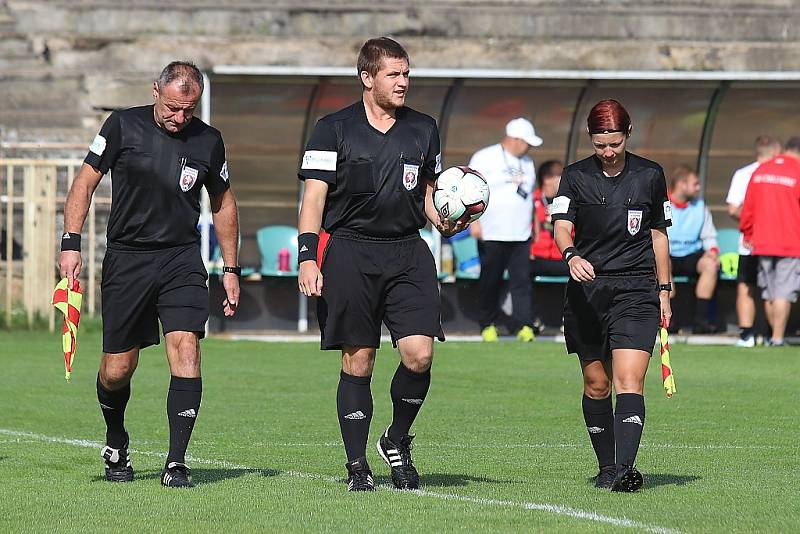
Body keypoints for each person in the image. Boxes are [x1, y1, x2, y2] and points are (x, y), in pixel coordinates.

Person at [58, 61, 241, 488]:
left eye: (189, 110)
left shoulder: (209, 141)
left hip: (181, 259)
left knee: (187, 350)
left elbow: (224, 203)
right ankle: (117, 438)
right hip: (128, 259)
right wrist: (70, 244)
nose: (180, 118)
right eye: (174, 108)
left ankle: (177, 462)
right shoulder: (122, 126)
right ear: (156, 90)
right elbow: (84, 183)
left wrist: (231, 267)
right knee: (117, 369)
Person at [296, 37, 464, 492]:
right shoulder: (332, 128)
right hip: (350, 251)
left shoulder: (424, 128)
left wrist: (447, 220)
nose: (403, 82)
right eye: (394, 74)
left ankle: (396, 438)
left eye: (406, 74)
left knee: (420, 354)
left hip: (409, 252)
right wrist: (308, 257)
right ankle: (356, 465)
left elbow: (427, 194)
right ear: (367, 78)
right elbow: (313, 199)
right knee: (360, 359)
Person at [551, 99, 672, 492]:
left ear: (627, 136)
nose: (608, 152)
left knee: (629, 381)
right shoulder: (573, 176)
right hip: (588, 291)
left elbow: (657, 235)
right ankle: (606, 466)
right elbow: (561, 227)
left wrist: (664, 290)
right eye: (601, 144)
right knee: (597, 385)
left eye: (615, 144)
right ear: (591, 139)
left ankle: (624, 469)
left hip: (637, 289)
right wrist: (570, 256)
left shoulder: (650, 175)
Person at [468, 118, 542, 342]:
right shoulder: (484, 157)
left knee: (522, 281)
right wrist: (474, 222)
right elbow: (470, 190)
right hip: (492, 233)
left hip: (521, 234)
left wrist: (534, 227)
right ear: (515, 139)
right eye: (526, 142)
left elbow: (529, 197)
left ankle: (525, 325)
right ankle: (487, 324)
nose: (529, 147)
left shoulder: (527, 162)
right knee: (490, 280)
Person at [740, 136, 800, 346]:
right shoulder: (797, 170)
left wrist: (747, 233)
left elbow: (748, 206)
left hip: (762, 241)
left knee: (769, 291)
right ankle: (777, 338)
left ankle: (770, 336)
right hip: (791, 242)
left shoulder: (761, 170)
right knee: (784, 291)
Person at [726, 135, 782, 346]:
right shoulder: (780, 175)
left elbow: (733, 208)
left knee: (747, 287)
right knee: (773, 289)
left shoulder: (743, 174)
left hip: (750, 243)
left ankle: (746, 335)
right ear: (776, 151)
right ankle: (771, 335)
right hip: (772, 242)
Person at [667, 165, 720, 334]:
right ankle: (671, 320)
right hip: (668, 255)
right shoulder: (662, 204)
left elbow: (709, 236)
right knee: (661, 264)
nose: (698, 188)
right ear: (682, 184)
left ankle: (701, 321)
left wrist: (712, 252)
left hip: (692, 255)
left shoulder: (700, 207)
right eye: (695, 184)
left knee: (710, 265)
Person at [531, 160, 568, 277]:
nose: (565, 179)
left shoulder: (569, 202)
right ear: (546, 179)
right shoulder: (530, 201)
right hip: (536, 258)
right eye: (560, 175)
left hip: (562, 259)